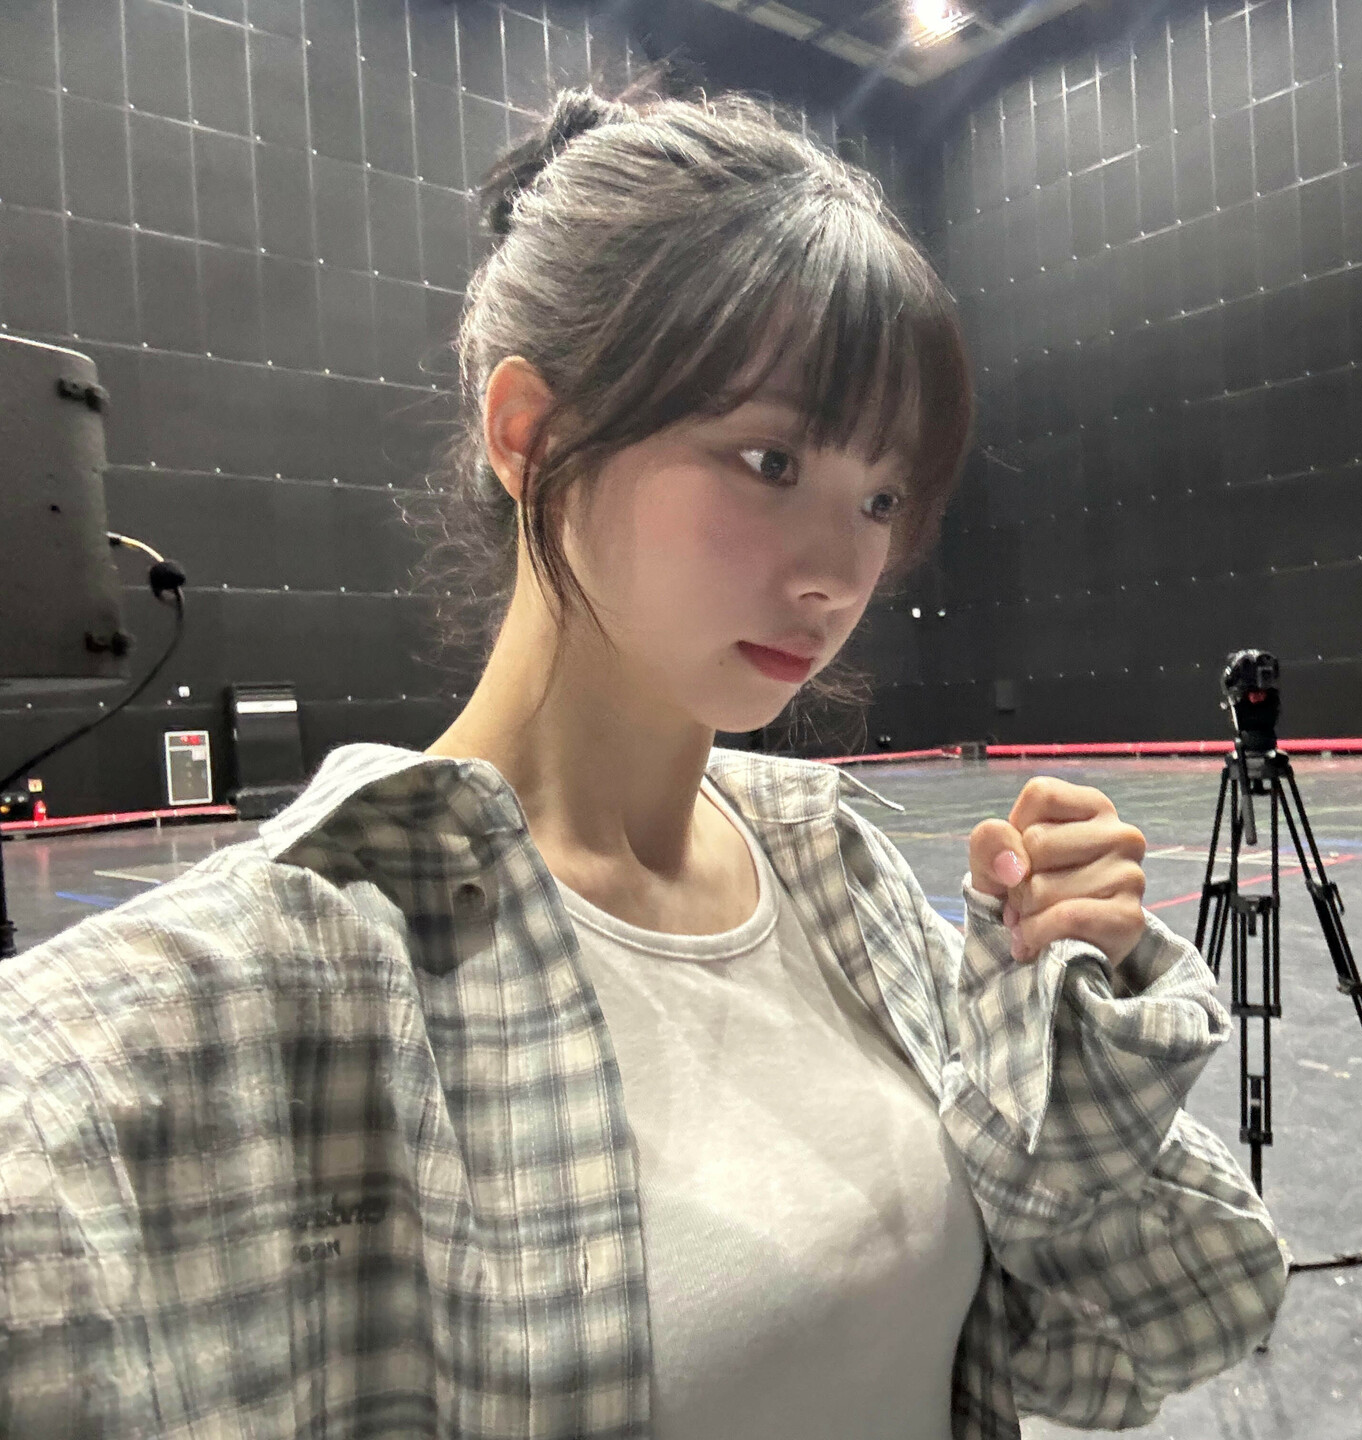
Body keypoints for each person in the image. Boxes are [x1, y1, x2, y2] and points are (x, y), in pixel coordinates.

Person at [0, 72, 1287, 1439]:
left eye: (880, 496)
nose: (837, 571)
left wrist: (1055, 1003)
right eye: (770, 461)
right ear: (531, 436)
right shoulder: (285, 983)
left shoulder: (835, 879)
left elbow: (1156, 1325)